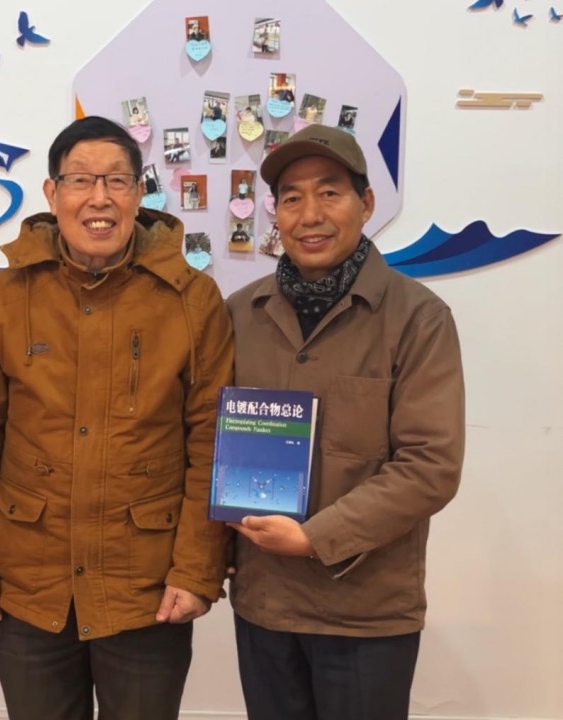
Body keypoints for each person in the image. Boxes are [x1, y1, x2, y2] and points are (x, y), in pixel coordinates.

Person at [0, 115, 234, 720]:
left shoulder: (191, 299)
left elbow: (213, 446)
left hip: (146, 588)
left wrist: (197, 569)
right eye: (80, 180)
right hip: (30, 584)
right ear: (52, 194)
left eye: (116, 181)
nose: (99, 198)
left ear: (139, 194)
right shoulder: (5, 297)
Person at [226, 124, 465, 720]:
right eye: (292, 197)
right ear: (276, 214)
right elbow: (209, 441)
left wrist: (316, 537)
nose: (310, 214)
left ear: (367, 203)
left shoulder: (418, 318)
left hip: (366, 613)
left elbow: (430, 466)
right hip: (264, 605)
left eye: (330, 192)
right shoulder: (239, 315)